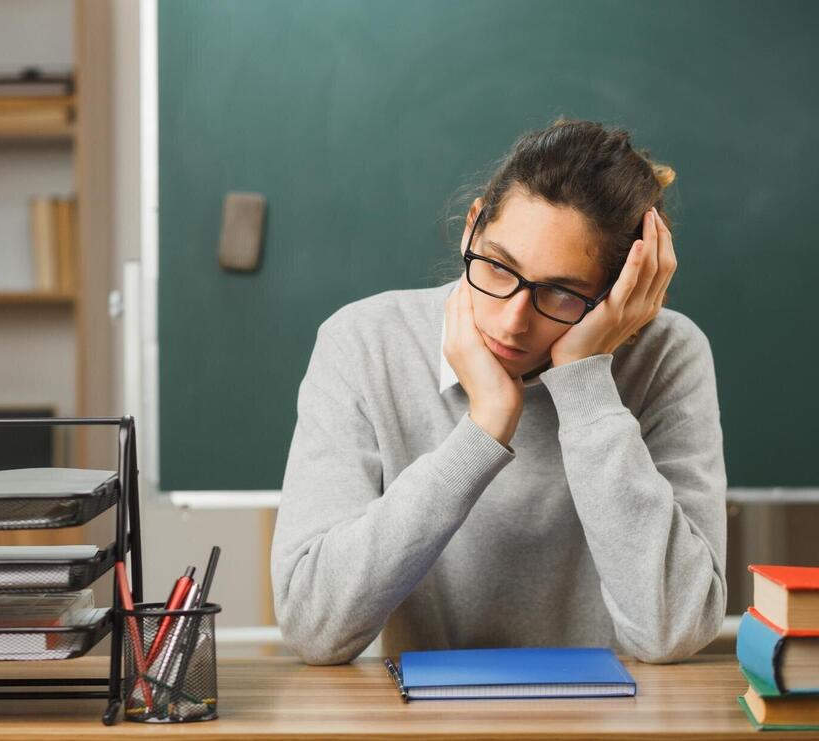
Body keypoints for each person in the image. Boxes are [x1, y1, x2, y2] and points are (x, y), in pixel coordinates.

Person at [271, 118, 726, 665]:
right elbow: (311, 625)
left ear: (618, 294)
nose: (512, 322)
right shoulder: (364, 342)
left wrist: (583, 379)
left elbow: (673, 628)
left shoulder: (667, 356)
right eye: (497, 266)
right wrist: (484, 429)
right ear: (471, 229)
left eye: (560, 294)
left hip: (612, 723)